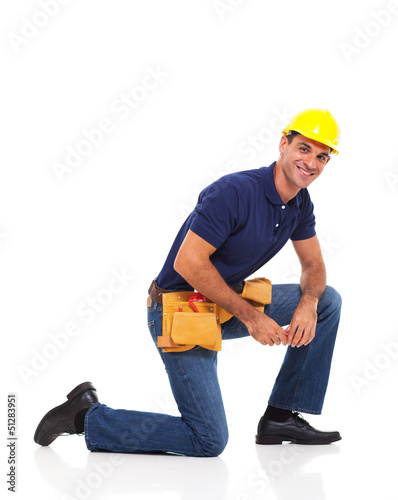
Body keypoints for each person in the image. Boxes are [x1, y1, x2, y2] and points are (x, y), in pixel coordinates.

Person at [34, 108, 343, 456]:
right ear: (283, 143)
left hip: (223, 304)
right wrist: (253, 317)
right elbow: (189, 262)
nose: (311, 163)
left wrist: (309, 302)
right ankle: (85, 416)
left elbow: (314, 264)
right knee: (208, 440)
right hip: (178, 309)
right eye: (304, 149)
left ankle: (281, 416)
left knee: (327, 300)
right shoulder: (235, 191)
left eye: (322, 156)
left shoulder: (299, 204)